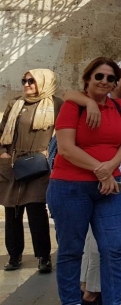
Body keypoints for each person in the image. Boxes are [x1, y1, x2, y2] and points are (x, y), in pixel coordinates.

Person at [47, 58, 121, 305]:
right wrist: (102, 171)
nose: (105, 81)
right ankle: (72, 302)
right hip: (70, 187)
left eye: (110, 78)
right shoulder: (73, 106)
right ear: (87, 79)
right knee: (71, 251)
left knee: (114, 248)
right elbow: (65, 148)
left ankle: (113, 302)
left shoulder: (118, 107)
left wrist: (110, 169)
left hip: (109, 187)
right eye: (99, 76)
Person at [68, 60, 121, 299]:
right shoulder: (102, 97)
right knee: (98, 241)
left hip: (119, 173)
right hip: (97, 174)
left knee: (103, 240)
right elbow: (69, 93)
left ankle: (89, 285)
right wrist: (90, 102)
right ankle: (92, 292)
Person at [0, 69, 60, 273]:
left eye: (32, 81)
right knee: (12, 210)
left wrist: (50, 154)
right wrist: (3, 154)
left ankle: (43, 257)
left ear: (44, 82)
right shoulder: (15, 104)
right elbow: (1, 132)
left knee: (36, 210)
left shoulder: (56, 104)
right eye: (24, 80)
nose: (26, 85)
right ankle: (14, 255)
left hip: (39, 165)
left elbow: (66, 133)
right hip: (13, 163)